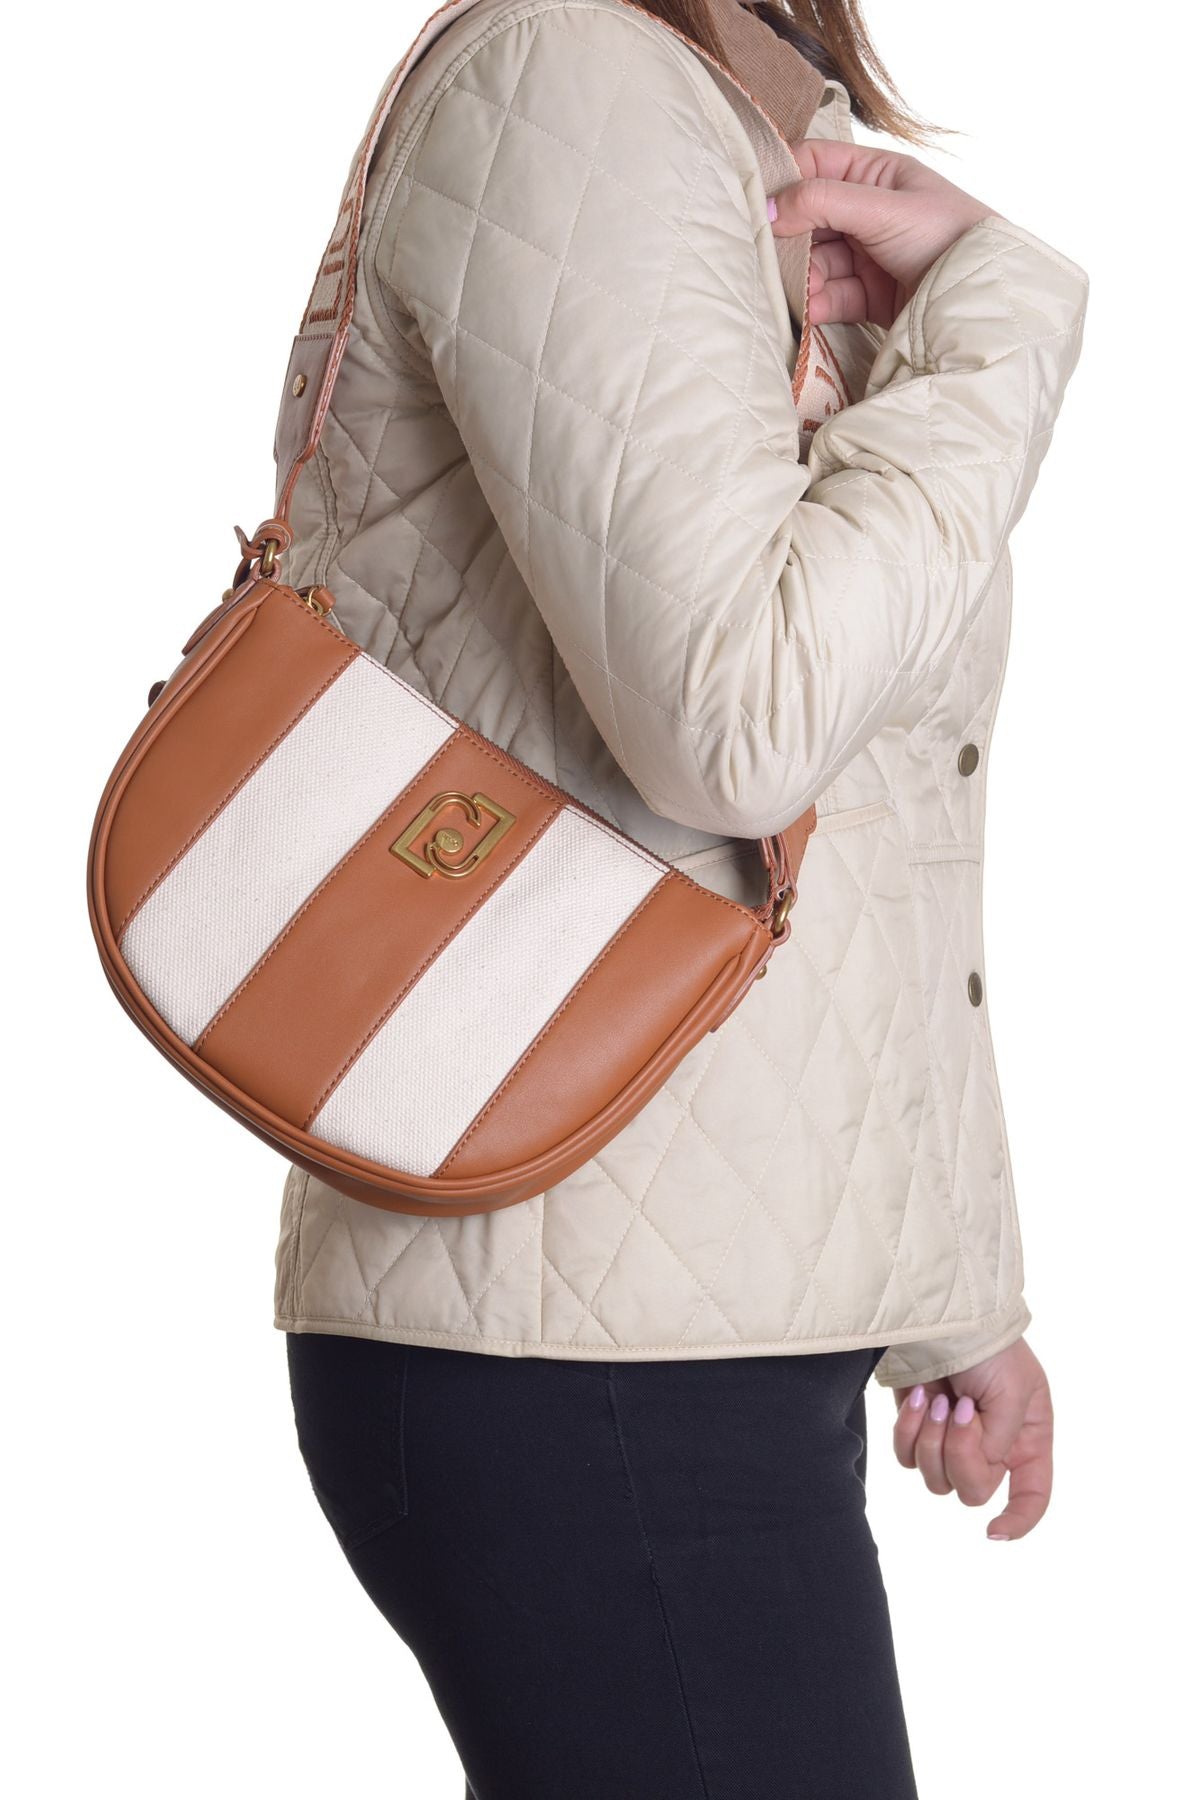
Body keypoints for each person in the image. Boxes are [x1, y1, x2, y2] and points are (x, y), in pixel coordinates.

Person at [278, 0, 1088, 1792]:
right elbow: (740, 726)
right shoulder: (576, 76)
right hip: (576, 1343)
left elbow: (867, 824)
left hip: (680, 1316)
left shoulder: (731, 119)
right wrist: (1001, 323)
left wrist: (947, 1295)